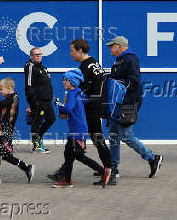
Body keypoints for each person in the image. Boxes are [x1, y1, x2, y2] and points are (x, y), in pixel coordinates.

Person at [47, 39, 112, 183]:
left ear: (80, 50)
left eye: (72, 51)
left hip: (90, 109)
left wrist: (67, 109)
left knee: (95, 140)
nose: (70, 54)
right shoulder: (95, 63)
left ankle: (109, 171)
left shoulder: (84, 68)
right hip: (95, 106)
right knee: (80, 143)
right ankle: (64, 174)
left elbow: (77, 92)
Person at [106, 36, 163, 184]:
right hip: (116, 105)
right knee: (113, 136)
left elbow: (134, 82)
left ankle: (152, 157)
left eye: (112, 46)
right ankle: (113, 167)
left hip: (125, 104)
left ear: (119, 46)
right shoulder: (120, 60)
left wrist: (124, 99)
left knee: (126, 136)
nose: (110, 49)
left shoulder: (130, 59)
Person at [52, 69, 109, 188]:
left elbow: (68, 109)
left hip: (77, 129)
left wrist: (58, 105)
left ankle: (104, 172)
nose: (63, 82)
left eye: (65, 80)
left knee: (78, 156)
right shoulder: (78, 92)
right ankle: (67, 180)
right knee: (68, 153)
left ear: (72, 81)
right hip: (79, 128)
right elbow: (85, 102)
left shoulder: (72, 94)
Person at [0, 77, 34, 183]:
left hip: (5, 130)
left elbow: (2, 104)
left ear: (9, 88)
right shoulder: (9, 98)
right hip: (1, 129)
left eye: (1, 89)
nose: (0, 91)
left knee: (6, 155)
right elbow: (3, 104)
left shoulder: (13, 97)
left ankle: (27, 167)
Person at [24, 47, 56, 153]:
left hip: (47, 100)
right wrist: (33, 102)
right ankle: (36, 145)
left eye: (40, 55)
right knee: (37, 121)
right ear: (31, 56)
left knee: (51, 118)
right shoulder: (30, 66)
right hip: (38, 100)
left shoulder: (43, 68)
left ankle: (39, 139)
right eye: (36, 55)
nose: (38, 57)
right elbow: (28, 85)